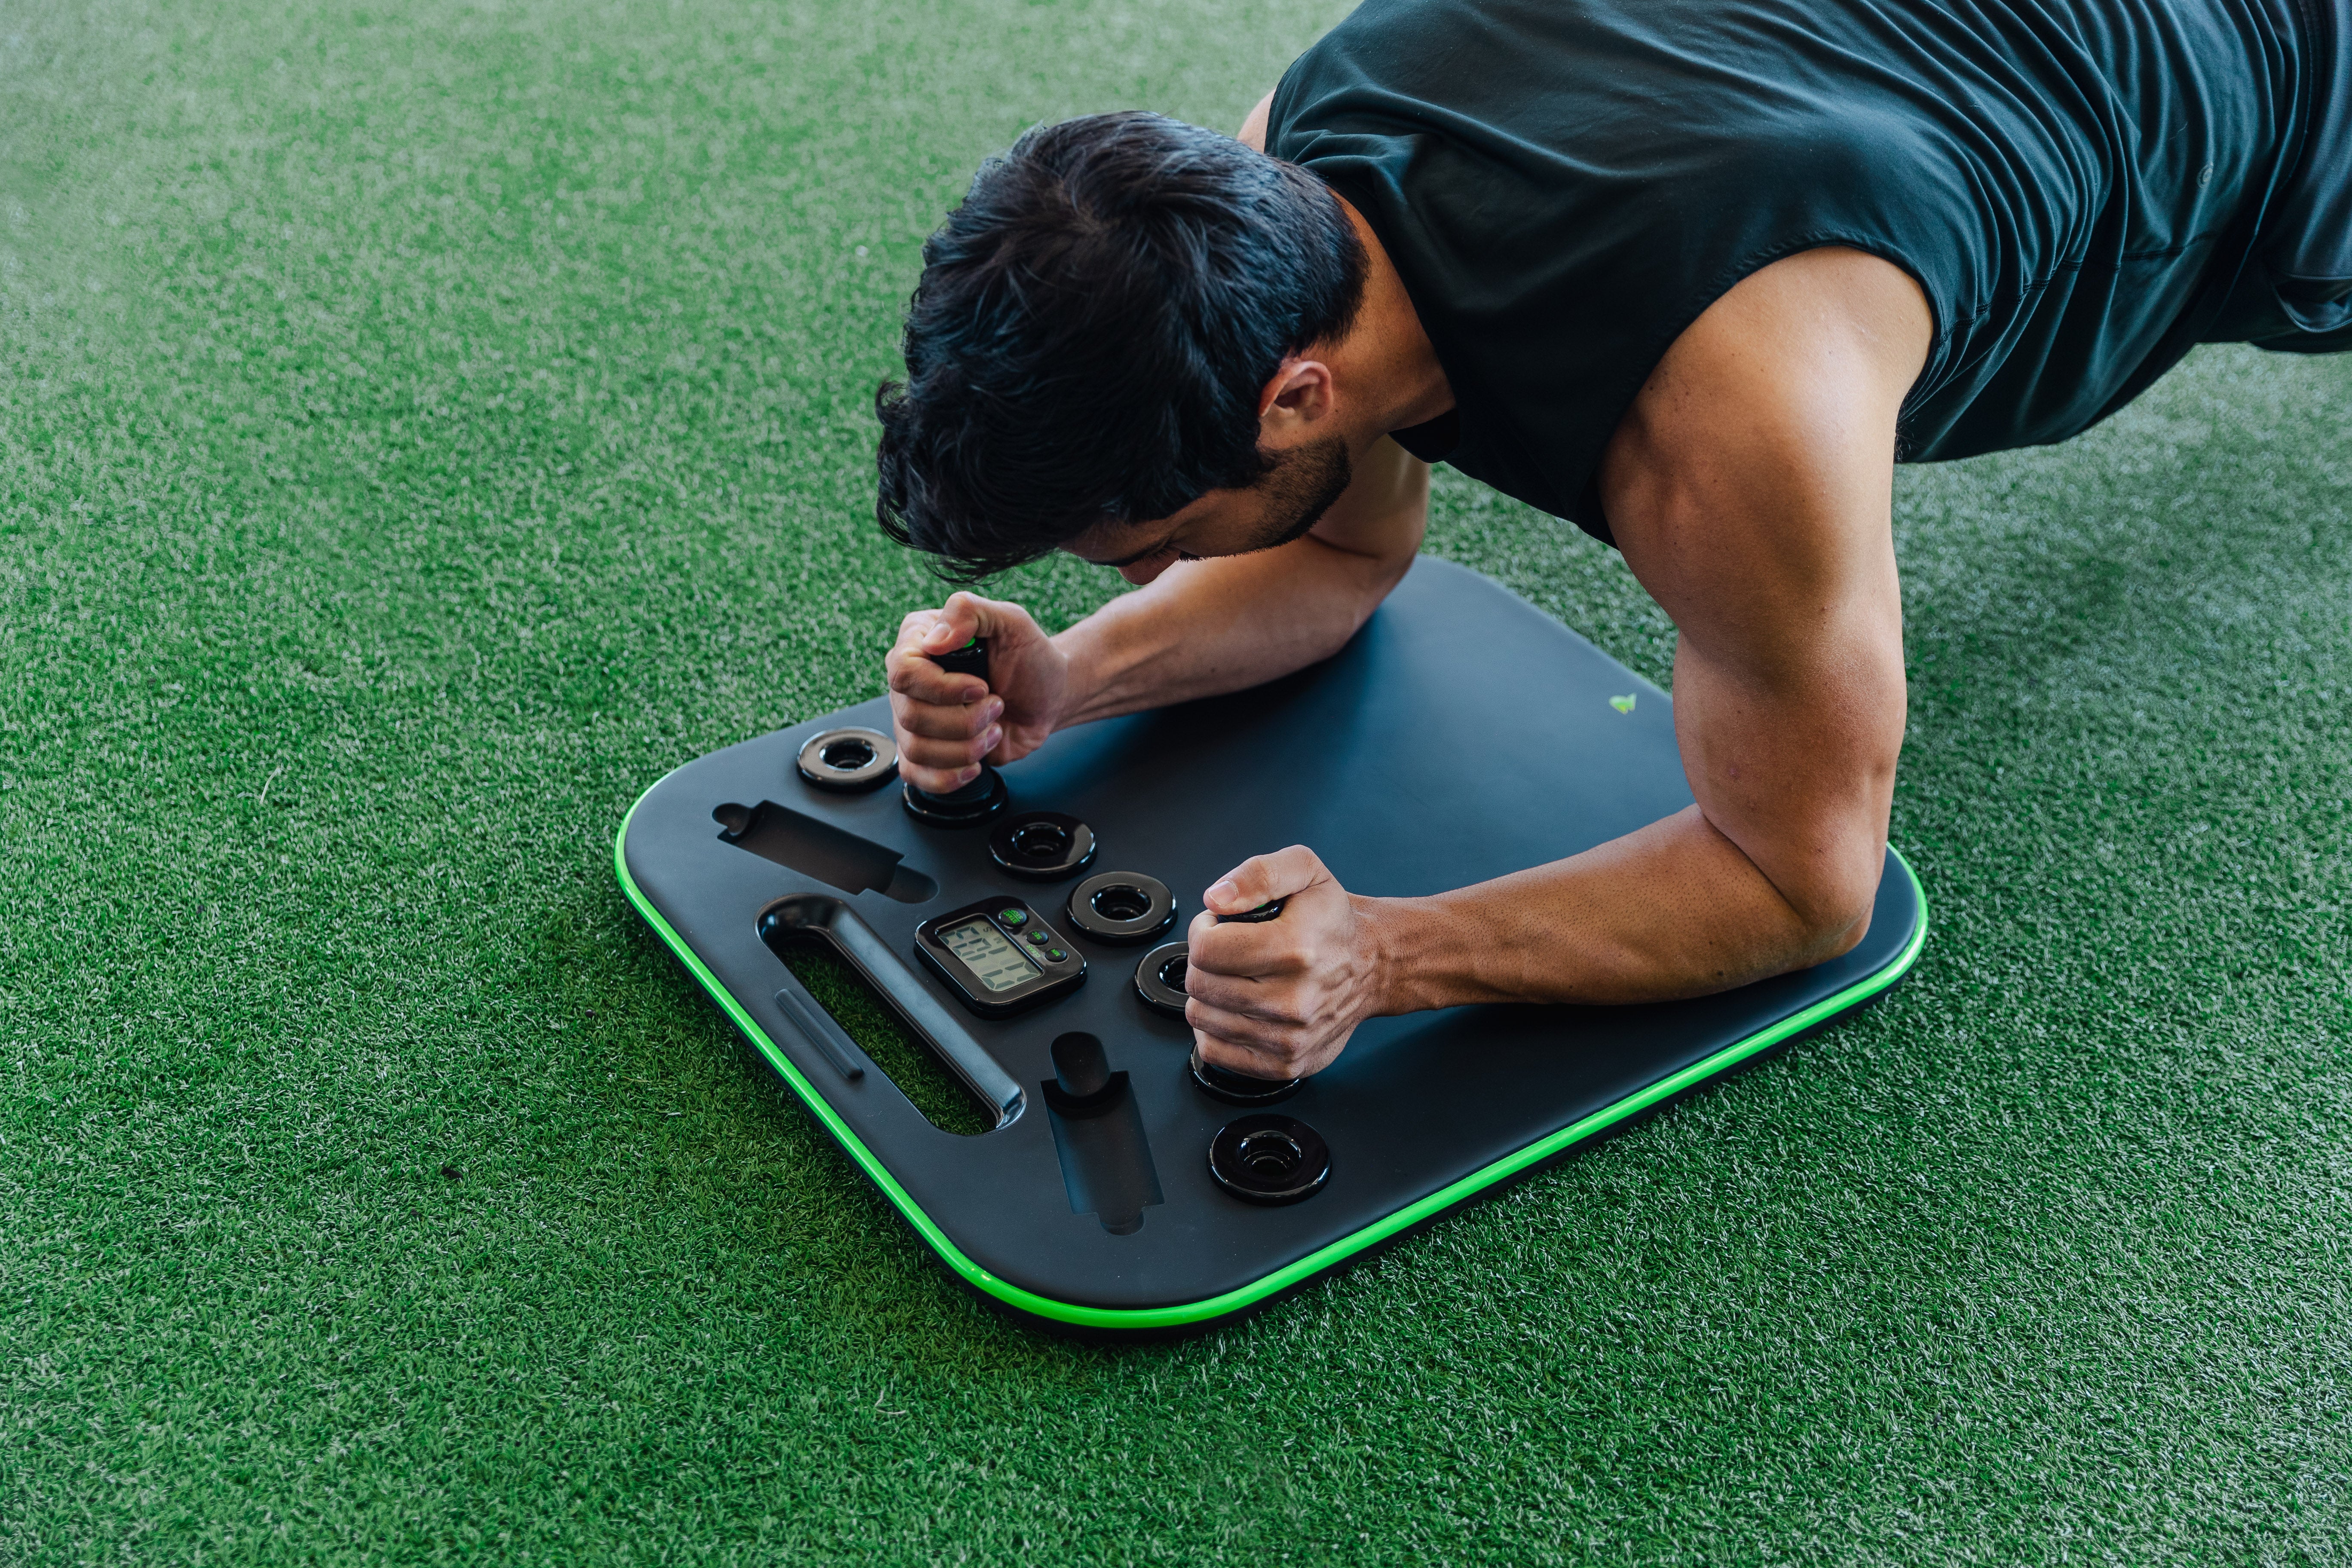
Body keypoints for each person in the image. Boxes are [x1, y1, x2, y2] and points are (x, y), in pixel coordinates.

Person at [869, 0, 2349, 1083]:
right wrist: (1076, 672)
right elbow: (1331, 558)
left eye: (1154, 542)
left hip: (2274, 92)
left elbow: (1800, 881)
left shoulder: (1728, 412)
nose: (1148, 577)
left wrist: (1388, 954)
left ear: (1297, 394)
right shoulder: (1298, 167)